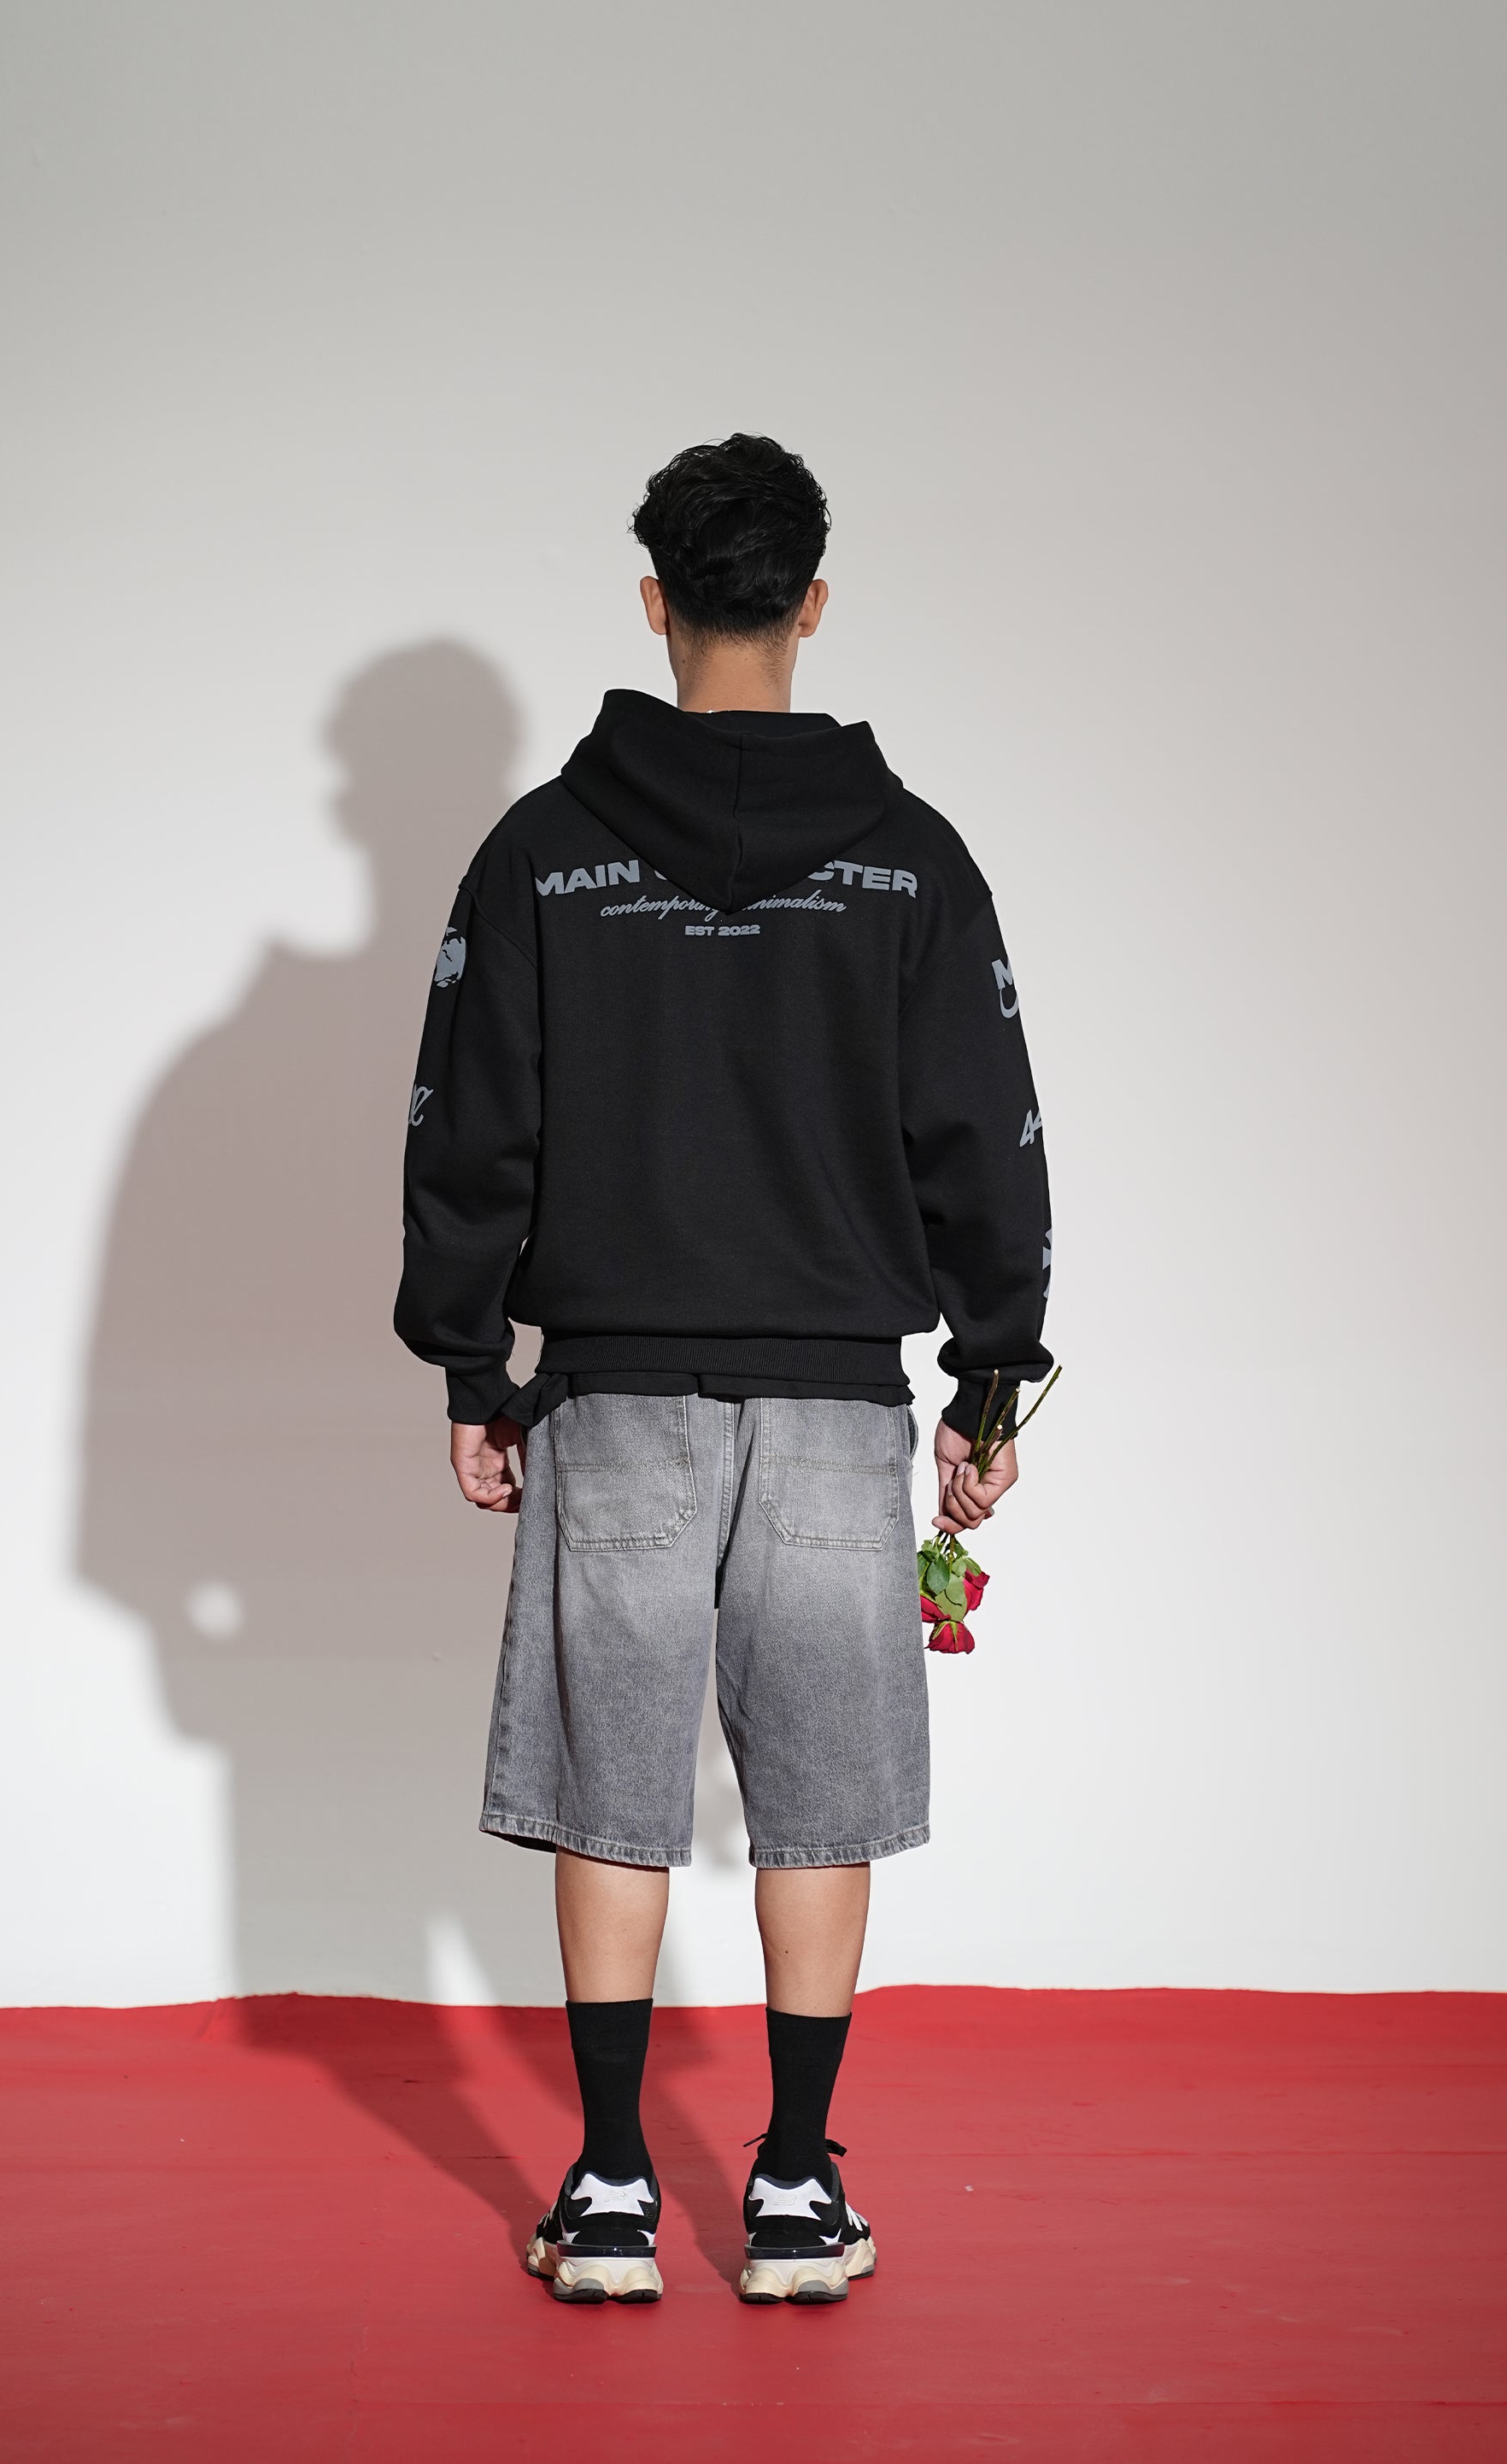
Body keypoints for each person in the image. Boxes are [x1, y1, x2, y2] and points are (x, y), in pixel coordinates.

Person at [395, 433, 1052, 2304]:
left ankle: (609, 2185)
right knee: (819, 1800)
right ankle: (789, 2189)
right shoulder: (913, 861)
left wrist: (471, 1367)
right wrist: (988, 1380)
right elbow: (983, 1132)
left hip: (614, 1392)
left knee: (609, 1788)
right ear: (811, 603)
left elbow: (472, 1128)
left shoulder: (544, 853)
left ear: (653, 602)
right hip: (839, 1404)